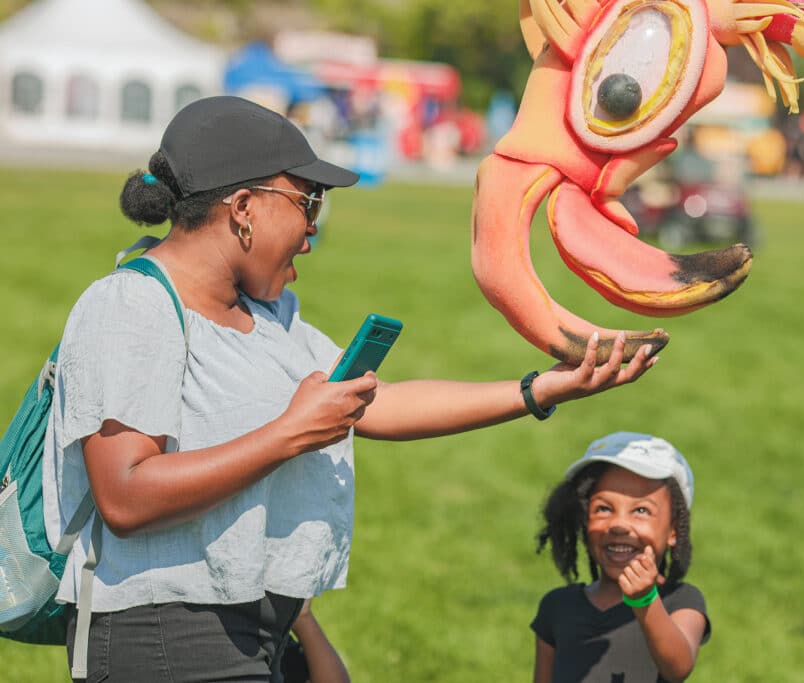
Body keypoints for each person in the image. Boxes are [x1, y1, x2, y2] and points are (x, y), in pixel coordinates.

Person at [43, 95, 659, 682]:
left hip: (254, 627)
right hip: (164, 634)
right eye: (307, 202)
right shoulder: (132, 305)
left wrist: (542, 389)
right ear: (243, 207)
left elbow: (377, 402)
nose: (313, 230)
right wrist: (289, 434)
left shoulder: (267, 315)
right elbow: (125, 495)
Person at [531, 432, 710, 682]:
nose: (619, 525)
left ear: (673, 530)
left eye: (641, 510)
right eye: (604, 508)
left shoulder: (681, 600)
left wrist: (644, 600)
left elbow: (677, 668)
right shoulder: (557, 606)